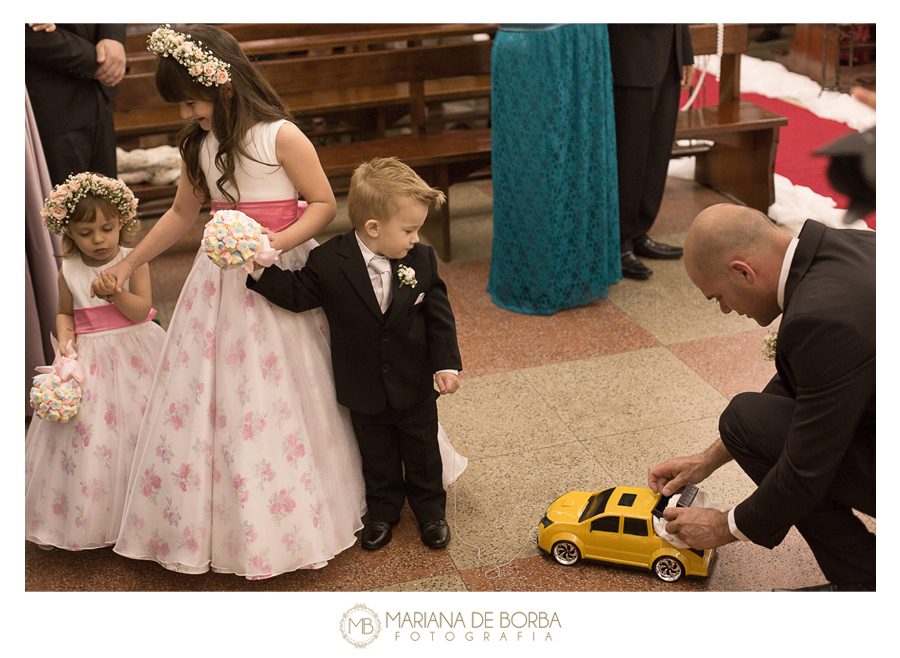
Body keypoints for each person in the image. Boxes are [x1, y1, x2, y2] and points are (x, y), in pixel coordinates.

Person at [103, 26, 461, 578]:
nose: (189, 112)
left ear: (221, 85)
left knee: (311, 382)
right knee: (223, 391)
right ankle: (230, 511)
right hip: (220, 283)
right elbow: (180, 214)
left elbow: (320, 203)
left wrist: (271, 246)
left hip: (286, 265)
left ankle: (388, 488)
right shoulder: (199, 145)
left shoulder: (280, 136)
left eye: (192, 100)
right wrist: (127, 262)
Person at [649, 203, 875, 591]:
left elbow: (806, 469)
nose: (724, 310)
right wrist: (708, 460)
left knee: (793, 464)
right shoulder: (849, 245)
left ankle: (868, 585)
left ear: (743, 272)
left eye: (718, 296)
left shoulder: (819, 319)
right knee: (743, 421)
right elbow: (809, 387)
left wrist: (725, 526)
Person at [247, 157, 462, 551]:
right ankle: (383, 512)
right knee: (376, 454)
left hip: (413, 381)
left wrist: (446, 364)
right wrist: (261, 270)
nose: (416, 238)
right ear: (373, 227)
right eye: (410, 229)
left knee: (423, 451)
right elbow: (297, 295)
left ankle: (431, 512)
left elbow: (438, 316)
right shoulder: (330, 260)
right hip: (362, 384)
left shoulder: (420, 259)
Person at [25, 173, 165, 550]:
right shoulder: (68, 269)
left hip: (137, 348)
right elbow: (64, 313)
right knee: (93, 435)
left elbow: (142, 311)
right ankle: (99, 516)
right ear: (68, 231)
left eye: (107, 228)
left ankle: (150, 510)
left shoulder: (132, 261)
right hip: (91, 355)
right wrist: (66, 343)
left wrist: (116, 293)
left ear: (122, 223)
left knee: (144, 426)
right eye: (86, 232)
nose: (99, 239)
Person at [486, 24, 621, 315]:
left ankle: (578, 277)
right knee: (532, 164)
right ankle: (533, 282)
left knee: (584, 157)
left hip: (585, 35)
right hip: (534, 39)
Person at [607, 24, 694, 280]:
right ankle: (618, 243)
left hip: (668, 52)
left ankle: (637, 233)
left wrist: (685, 52)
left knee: (656, 151)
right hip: (631, 54)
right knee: (629, 154)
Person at [25, 23, 127, 186]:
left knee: (107, 202)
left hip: (99, 96)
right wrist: (94, 58)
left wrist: (112, 37)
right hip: (51, 101)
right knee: (61, 205)